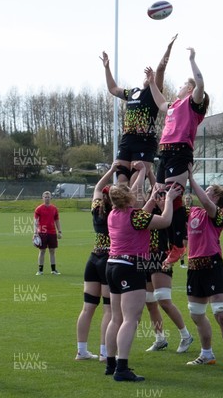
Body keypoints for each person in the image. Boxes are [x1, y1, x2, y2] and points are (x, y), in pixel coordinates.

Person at [104, 181, 180, 382]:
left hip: (112, 266)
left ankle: (111, 364)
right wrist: (169, 200)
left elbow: (139, 218)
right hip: (131, 266)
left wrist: (152, 200)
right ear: (129, 197)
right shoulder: (135, 216)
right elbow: (165, 221)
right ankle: (122, 368)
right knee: (131, 319)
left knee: (115, 318)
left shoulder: (114, 214)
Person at [144, 47, 209, 267]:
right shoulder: (173, 106)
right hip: (165, 152)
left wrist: (192, 59)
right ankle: (174, 243)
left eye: (183, 83)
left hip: (180, 151)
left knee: (173, 194)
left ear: (189, 89)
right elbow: (161, 103)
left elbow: (200, 84)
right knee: (163, 197)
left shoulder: (193, 102)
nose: (179, 86)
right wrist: (152, 82)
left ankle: (178, 244)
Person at [183, 168, 223, 371]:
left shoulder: (217, 214)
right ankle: (207, 354)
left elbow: (207, 203)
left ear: (216, 197)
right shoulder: (192, 212)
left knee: (221, 315)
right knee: (196, 314)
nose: (204, 192)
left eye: (208, 190)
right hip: (194, 267)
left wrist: (191, 178)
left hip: (212, 266)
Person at [101, 35, 177, 186]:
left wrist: (168, 48)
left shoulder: (154, 92)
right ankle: (120, 210)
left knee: (135, 185)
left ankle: (137, 209)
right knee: (121, 184)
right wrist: (107, 68)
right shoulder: (133, 92)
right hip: (127, 140)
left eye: (152, 75)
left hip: (144, 141)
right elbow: (113, 89)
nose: (150, 75)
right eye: (149, 75)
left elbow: (161, 69)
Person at [75, 161, 118, 361]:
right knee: (108, 308)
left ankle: (81, 351)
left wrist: (111, 170)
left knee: (87, 307)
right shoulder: (117, 214)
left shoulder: (96, 210)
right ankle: (104, 352)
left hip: (93, 259)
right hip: (109, 260)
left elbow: (98, 188)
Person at [144, 188, 194, 354]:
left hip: (162, 255)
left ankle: (185, 335)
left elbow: (175, 226)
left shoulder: (173, 211)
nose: (157, 197)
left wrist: (167, 204)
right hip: (146, 257)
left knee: (162, 299)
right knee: (149, 301)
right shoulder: (147, 208)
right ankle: (160, 339)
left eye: (160, 195)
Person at [33, 191, 62, 275]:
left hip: (52, 232)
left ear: (51, 198)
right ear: (42, 198)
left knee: (52, 251)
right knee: (42, 251)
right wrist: (35, 232)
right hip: (42, 232)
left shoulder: (54, 208)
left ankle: (53, 270)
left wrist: (59, 231)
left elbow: (57, 220)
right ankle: (40, 270)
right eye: (45, 197)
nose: (47, 198)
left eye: (48, 197)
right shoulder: (39, 209)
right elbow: (35, 221)